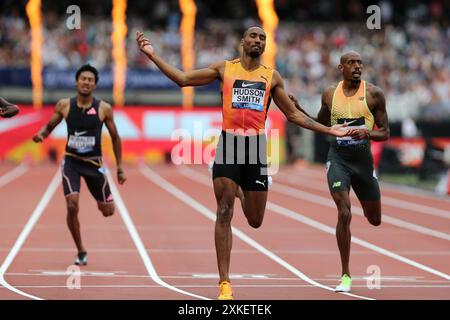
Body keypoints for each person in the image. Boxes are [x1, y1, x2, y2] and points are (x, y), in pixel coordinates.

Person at [136, 26, 352, 300]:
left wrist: (330, 130)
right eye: (253, 35)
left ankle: (240, 190)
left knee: (255, 220)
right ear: (242, 42)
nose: (258, 40)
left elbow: (294, 116)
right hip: (229, 143)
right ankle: (224, 283)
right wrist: (153, 56)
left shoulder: (271, 77)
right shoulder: (224, 69)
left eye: (262, 38)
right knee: (224, 211)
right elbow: (182, 79)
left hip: (255, 149)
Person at [290, 51, 390, 292]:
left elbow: (385, 132)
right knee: (344, 212)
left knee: (374, 220)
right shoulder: (329, 94)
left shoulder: (373, 94)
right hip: (338, 161)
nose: (357, 67)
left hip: (363, 164)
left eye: (360, 63)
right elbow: (320, 124)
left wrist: (367, 132)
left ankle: (368, 200)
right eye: (351, 63)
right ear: (340, 67)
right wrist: (299, 108)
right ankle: (345, 275)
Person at [32, 64, 126, 266]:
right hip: (71, 163)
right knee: (72, 205)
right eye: (83, 78)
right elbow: (50, 125)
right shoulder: (65, 105)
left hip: (94, 165)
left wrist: (120, 167)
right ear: (77, 82)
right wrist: (42, 135)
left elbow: (116, 137)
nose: (86, 82)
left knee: (108, 211)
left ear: (95, 84)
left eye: (90, 80)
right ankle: (81, 250)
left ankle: (103, 198)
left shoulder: (104, 108)